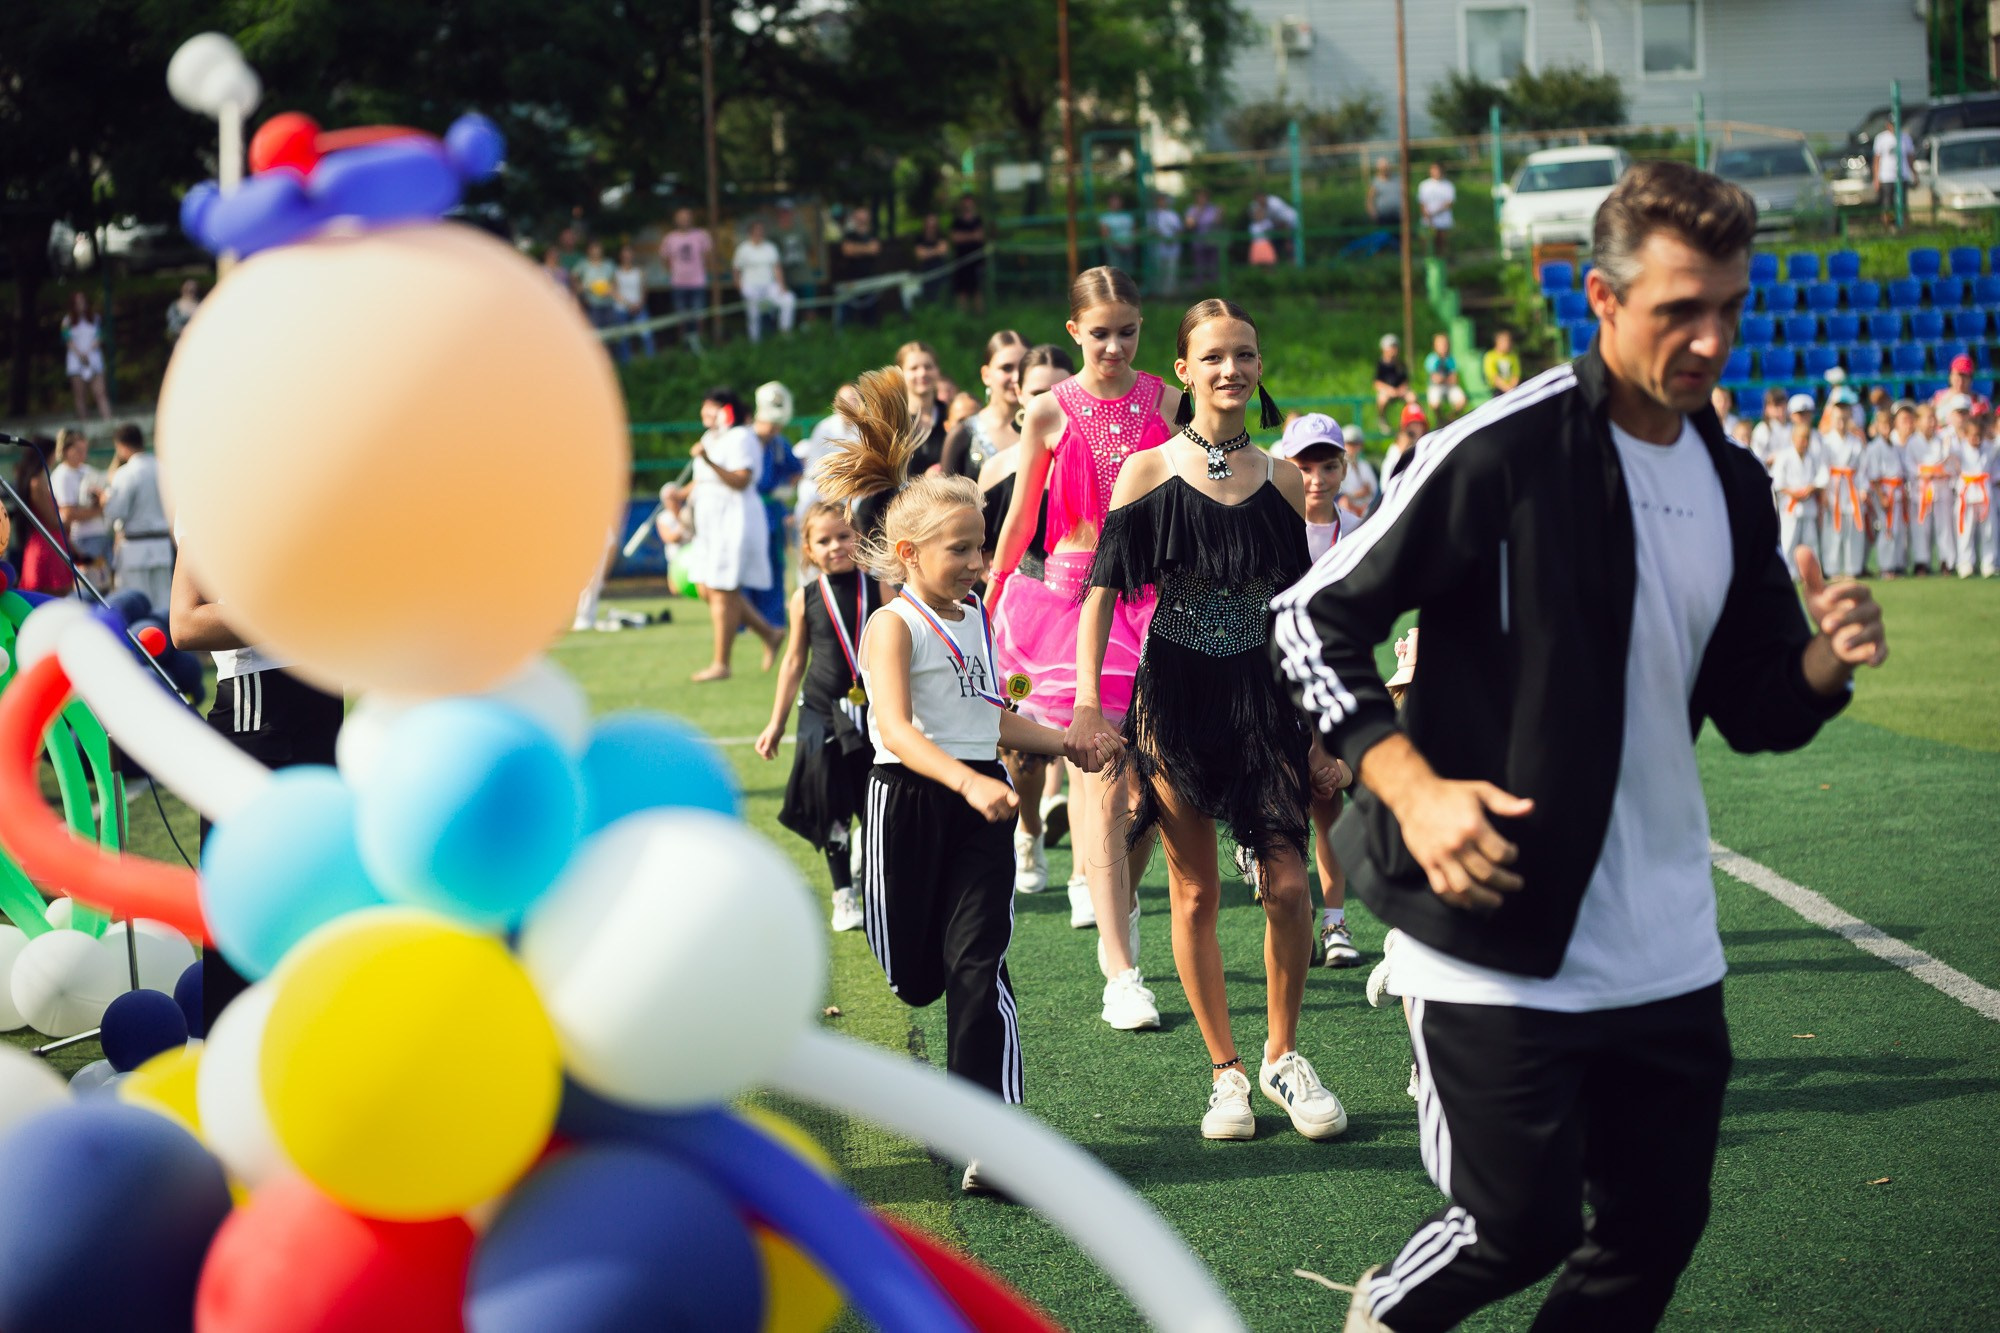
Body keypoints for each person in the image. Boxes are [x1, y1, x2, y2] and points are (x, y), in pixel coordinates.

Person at [1279, 159, 1888, 1333]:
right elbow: (1310, 615)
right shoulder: (1501, 450)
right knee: (1517, 1225)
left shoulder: (1729, 482)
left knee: (1653, 1231)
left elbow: (1755, 707)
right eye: (1676, 310)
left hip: (1665, 947)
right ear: (1603, 303)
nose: (1708, 338)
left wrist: (1824, 661)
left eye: (1727, 307)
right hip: (1492, 934)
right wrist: (1408, 788)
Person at [1077, 298, 1346, 1141]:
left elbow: (1295, 611)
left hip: (1265, 698)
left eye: (1246, 354)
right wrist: (1088, 699)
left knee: (1290, 887)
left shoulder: (1283, 478)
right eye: (1215, 356)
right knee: (1195, 891)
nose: (1233, 369)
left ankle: (1282, 1056)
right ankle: (1226, 1072)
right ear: (1184, 370)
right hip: (1177, 696)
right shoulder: (1147, 472)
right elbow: (1099, 597)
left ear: (1259, 366)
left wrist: (1320, 730)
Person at [847, 433, 1115, 1192]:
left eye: (980, 548)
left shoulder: (973, 619)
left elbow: (991, 718)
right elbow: (895, 729)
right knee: (915, 977)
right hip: (907, 802)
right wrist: (965, 784)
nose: (976, 563)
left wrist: (1066, 742)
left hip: (981, 810)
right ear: (908, 551)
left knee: (979, 965)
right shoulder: (891, 625)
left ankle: (990, 1136)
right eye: (960, 550)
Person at [990, 267, 1180, 1029]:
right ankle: (1120, 969)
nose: (1113, 345)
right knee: (1101, 782)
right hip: (1072, 606)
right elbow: (1022, 516)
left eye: (1127, 331)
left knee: (1156, 793)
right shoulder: (1045, 411)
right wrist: (992, 589)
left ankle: (1118, 905)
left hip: (1161, 599)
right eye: (1098, 332)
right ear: (1073, 331)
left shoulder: (1169, 399)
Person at [170, 554, 346, 1029]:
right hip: (260, 709)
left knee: (322, 892)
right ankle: (234, 1049)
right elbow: (184, 625)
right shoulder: (210, 498)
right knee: (244, 901)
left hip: (324, 699)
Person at [975, 344, 1075, 894]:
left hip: (1096, 608)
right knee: (1025, 747)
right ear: (1020, 397)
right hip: (1025, 620)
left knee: (1103, 748)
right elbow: (982, 548)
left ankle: (1091, 873)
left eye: (1063, 388)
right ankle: (1031, 831)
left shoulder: (1109, 457)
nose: (1052, 401)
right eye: (1039, 390)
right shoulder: (998, 468)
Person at [1269, 414, 1365, 968]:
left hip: (1330, 685)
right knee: (1280, 813)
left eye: (1328, 465)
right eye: (1304, 466)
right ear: (1285, 464)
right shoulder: (1268, 522)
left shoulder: (1357, 529)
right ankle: (1290, 918)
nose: (1316, 478)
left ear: (1343, 467)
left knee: (1327, 800)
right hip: (1273, 683)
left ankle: (1335, 922)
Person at [757, 500, 876, 933]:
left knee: (875, 802)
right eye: (823, 540)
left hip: (873, 709)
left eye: (843, 536)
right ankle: (844, 893)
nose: (835, 546)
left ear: (859, 537)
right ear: (807, 549)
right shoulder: (804, 597)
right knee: (829, 803)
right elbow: (792, 662)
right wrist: (776, 722)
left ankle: (877, 878)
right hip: (821, 711)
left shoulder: (877, 586)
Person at [679, 387, 785, 681]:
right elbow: (704, 480)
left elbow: (741, 479)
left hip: (733, 519)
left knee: (724, 589)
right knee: (707, 588)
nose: (705, 413)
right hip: (710, 521)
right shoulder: (710, 438)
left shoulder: (742, 437)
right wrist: (679, 494)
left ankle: (721, 663)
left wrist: (710, 460)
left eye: (711, 408)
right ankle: (769, 632)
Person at [101, 422, 173, 611]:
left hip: (135, 548)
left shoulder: (125, 473)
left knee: (136, 603)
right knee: (164, 602)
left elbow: (116, 512)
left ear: (122, 447)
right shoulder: (162, 468)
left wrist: (104, 501)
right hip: (161, 545)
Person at [939, 332, 1026, 482]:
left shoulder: (1044, 429)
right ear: (986, 374)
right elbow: (943, 502)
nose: (1016, 377)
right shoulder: (962, 434)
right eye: (1007, 368)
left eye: (1023, 367)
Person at [1772, 401, 1829, 578]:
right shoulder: (1784, 456)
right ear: (1793, 439)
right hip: (1790, 506)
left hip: (1808, 504)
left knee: (1810, 542)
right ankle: (1787, 574)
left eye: (1806, 439)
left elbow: (1822, 475)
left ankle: (1812, 574)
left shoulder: (1813, 457)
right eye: (1800, 439)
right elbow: (1777, 481)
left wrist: (1811, 488)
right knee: (1789, 542)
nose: (1803, 442)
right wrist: (1793, 492)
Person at [11, 438, 74, 596]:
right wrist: (72, 517)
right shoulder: (37, 482)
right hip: (47, 547)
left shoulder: (40, 480)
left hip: (50, 544)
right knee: (52, 601)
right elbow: (52, 521)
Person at [795, 383, 862, 529]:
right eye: (844, 400)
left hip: (851, 491)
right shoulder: (824, 428)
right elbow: (817, 470)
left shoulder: (865, 430)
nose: (849, 404)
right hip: (819, 489)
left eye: (853, 399)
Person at [1818, 391, 1868, 579]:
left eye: (1845, 419)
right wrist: (1823, 490)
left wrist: (1863, 489)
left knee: (1852, 531)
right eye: (1838, 419)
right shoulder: (1825, 441)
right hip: (1834, 489)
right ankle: (1832, 570)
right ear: (1831, 419)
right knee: (1832, 531)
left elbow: (1863, 468)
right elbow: (1822, 467)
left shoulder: (1856, 442)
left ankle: (1851, 569)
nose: (1841, 423)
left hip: (1852, 488)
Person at [50, 428, 109, 587]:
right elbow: (68, 513)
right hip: (80, 541)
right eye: (78, 450)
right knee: (89, 590)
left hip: (99, 537)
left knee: (104, 586)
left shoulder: (86, 470)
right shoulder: (62, 476)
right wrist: (98, 510)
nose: (83, 454)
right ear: (65, 450)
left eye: (85, 449)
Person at [1866, 399, 1917, 577]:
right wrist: (1881, 496)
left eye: (1889, 424)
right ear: (1878, 427)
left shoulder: (1894, 446)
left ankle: (1897, 564)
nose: (1887, 428)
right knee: (1887, 530)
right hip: (1884, 492)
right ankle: (1885, 567)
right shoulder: (1874, 447)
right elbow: (1874, 476)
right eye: (1883, 425)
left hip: (1896, 492)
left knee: (1898, 530)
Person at [1911, 398, 1962, 575]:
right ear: (1918, 422)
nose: (1932, 422)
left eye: (1934, 418)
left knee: (1944, 526)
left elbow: (1950, 464)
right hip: (1921, 491)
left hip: (1941, 488)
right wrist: (1922, 472)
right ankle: (1921, 562)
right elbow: (1909, 466)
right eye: (1928, 418)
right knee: (1921, 528)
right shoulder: (1913, 442)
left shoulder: (1943, 440)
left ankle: (1946, 561)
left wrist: (1938, 471)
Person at [733, 220, 796, 343]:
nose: (759, 233)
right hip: (750, 286)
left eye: (761, 231)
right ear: (750, 233)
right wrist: (739, 286)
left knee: (788, 299)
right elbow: (736, 269)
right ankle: (755, 342)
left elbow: (777, 268)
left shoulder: (770, 248)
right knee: (753, 312)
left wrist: (782, 286)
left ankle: (785, 331)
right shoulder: (743, 249)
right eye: (756, 231)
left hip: (769, 285)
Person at [660, 207, 713, 353]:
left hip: (698, 281)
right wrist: (673, 272)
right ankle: (683, 345)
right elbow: (664, 258)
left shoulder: (701, 235)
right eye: (681, 217)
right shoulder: (670, 238)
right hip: (678, 282)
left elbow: (708, 255)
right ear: (676, 220)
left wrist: (703, 271)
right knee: (681, 315)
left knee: (699, 314)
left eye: (687, 216)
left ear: (691, 218)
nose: (684, 220)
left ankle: (700, 343)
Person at [1952, 407, 1996, 578]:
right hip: (1967, 493)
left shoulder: (1990, 447)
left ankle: (1988, 563)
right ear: (1965, 434)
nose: (1976, 439)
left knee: (1989, 530)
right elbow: (1947, 452)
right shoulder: (1959, 448)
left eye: (1979, 436)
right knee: (1965, 530)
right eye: (1972, 436)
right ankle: (1965, 563)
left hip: (1985, 492)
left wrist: (1991, 431)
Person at [897, 341, 950, 475]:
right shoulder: (891, 421)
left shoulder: (951, 415)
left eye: (928, 367)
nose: (922, 373)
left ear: (938, 371)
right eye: (914, 368)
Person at [61, 292, 112, 421]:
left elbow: (100, 336)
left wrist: (89, 351)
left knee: (101, 393)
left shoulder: (95, 318)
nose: (81, 304)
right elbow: (67, 340)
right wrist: (80, 354)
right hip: (76, 361)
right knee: (80, 395)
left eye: (83, 301)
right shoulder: (67, 321)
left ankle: (108, 422)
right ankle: (85, 424)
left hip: (94, 360)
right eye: (77, 302)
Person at [837, 207, 884, 328]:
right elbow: (847, 250)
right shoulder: (849, 235)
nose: (861, 220)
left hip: (871, 279)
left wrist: (856, 249)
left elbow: (875, 249)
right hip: (852, 280)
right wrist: (866, 248)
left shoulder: (873, 234)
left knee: (872, 315)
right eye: (859, 217)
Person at [771, 201, 820, 313]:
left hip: (803, 273)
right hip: (785, 274)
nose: (785, 214)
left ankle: (810, 326)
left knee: (808, 300)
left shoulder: (801, 230)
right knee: (787, 302)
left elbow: (810, 248)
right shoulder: (774, 233)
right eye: (782, 212)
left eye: (787, 212)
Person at [612, 243, 655, 360]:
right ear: (621, 256)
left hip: (639, 308)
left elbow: (644, 290)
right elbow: (614, 292)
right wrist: (628, 304)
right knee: (623, 338)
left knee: (646, 335)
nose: (627, 256)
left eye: (629, 253)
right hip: (621, 308)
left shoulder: (640, 272)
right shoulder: (616, 273)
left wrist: (639, 304)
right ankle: (626, 364)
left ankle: (651, 361)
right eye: (625, 253)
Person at [1873, 117, 1917, 228]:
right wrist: (1876, 178)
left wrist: (1915, 174)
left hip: (1902, 176)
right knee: (1887, 204)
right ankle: (1888, 226)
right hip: (1887, 177)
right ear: (1888, 125)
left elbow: (1910, 158)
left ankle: (1904, 226)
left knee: (1903, 203)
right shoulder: (1881, 138)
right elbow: (1877, 160)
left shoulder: (1905, 138)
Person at [948, 194, 987, 314]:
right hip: (961, 260)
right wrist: (972, 236)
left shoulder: (978, 220)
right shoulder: (957, 221)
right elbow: (954, 238)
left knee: (977, 290)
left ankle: (980, 317)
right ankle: (962, 319)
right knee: (961, 291)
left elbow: (980, 236)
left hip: (976, 261)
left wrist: (964, 236)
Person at [1424, 332, 1468, 422]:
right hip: (1436, 387)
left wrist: (1443, 379)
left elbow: (1454, 379)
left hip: (1449, 387)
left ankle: (1449, 419)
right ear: (1434, 346)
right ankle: (1440, 420)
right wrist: (1447, 379)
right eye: (1440, 344)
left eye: (1444, 344)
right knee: (1434, 403)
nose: (1443, 346)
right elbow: (1435, 379)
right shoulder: (1431, 359)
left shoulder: (1451, 359)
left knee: (1462, 401)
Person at [1373, 333, 1412, 432]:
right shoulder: (1380, 364)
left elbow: (1406, 381)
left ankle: (1409, 422)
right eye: (1391, 347)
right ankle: (1382, 420)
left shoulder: (1401, 364)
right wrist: (1389, 390)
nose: (1394, 350)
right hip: (1387, 391)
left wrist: (1400, 390)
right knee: (1382, 400)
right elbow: (1377, 383)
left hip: (1400, 391)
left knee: (1412, 398)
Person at [1184, 188, 1223, 286]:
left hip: (1212, 241)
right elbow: (1190, 225)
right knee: (1199, 266)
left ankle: (1213, 287)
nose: (1202, 199)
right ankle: (1200, 287)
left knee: (1213, 266)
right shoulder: (1192, 209)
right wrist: (1199, 212)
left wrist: (1220, 213)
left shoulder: (1213, 209)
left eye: (1204, 197)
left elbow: (1218, 223)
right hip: (1198, 243)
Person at [1417, 162, 1455, 258]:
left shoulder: (1448, 185)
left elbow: (1449, 203)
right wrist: (1428, 216)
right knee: (1427, 243)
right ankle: (1428, 262)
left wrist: (1433, 213)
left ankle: (1442, 263)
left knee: (1441, 243)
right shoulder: (1424, 185)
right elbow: (1421, 203)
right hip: (1427, 220)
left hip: (1443, 221)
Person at [1339, 423, 1378, 519]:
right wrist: (1357, 495)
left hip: (1366, 511)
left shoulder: (1364, 465)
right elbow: (1339, 497)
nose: (1354, 447)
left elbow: (1373, 490)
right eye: (1350, 443)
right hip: (1346, 513)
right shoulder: (1337, 467)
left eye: (1356, 443)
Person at [1147, 192, 1183, 295]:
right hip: (1157, 249)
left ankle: (1169, 293)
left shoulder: (1173, 214)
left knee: (1171, 271)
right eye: (1160, 200)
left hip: (1173, 248)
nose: (1162, 202)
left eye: (1164, 200)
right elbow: (1150, 230)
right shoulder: (1151, 215)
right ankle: (1158, 293)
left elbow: (1179, 230)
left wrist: (1172, 239)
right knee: (1158, 271)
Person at [912, 213, 952, 304]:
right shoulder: (919, 238)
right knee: (928, 297)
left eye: (933, 225)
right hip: (926, 272)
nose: (931, 227)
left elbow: (943, 251)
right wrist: (936, 251)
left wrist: (927, 252)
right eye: (929, 224)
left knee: (942, 295)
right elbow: (920, 255)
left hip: (940, 270)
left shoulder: (942, 236)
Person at [1098, 192, 1137, 271]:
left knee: (1128, 271)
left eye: (1118, 201)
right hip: (1113, 249)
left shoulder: (1128, 215)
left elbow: (1134, 231)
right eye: (1114, 201)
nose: (1116, 203)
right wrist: (1118, 246)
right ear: (1109, 202)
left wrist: (1131, 244)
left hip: (1129, 248)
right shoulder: (1105, 217)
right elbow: (1105, 234)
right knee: (1116, 272)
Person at [1482, 329, 1520, 396]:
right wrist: (1508, 389)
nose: (1508, 344)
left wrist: (1512, 389)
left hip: (1512, 390)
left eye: (1509, 341)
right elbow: (1494, 377)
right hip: (1497, 391)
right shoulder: (1490, 356)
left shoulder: (1513, 356)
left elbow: (1516, 375)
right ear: (1498, 342)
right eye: (1505, 341)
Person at [1369, 159, 1402, 228]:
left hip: (1399, 215)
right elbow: (1370, 200)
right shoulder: (1376, 182)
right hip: (1383, 217)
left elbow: (1404, 195)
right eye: (1383, 168)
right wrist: (1373, 213)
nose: (1385, 169)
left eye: (1386, 167)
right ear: (1379, 169)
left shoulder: (1398, 179)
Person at [1245, 198, 1279, 267]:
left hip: (1266, 244)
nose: (1259, 215)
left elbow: (1270, 232)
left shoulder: (1267, 223)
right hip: (1256, 245)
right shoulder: (1252, 226)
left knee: (1269, 262)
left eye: (1260, 213)